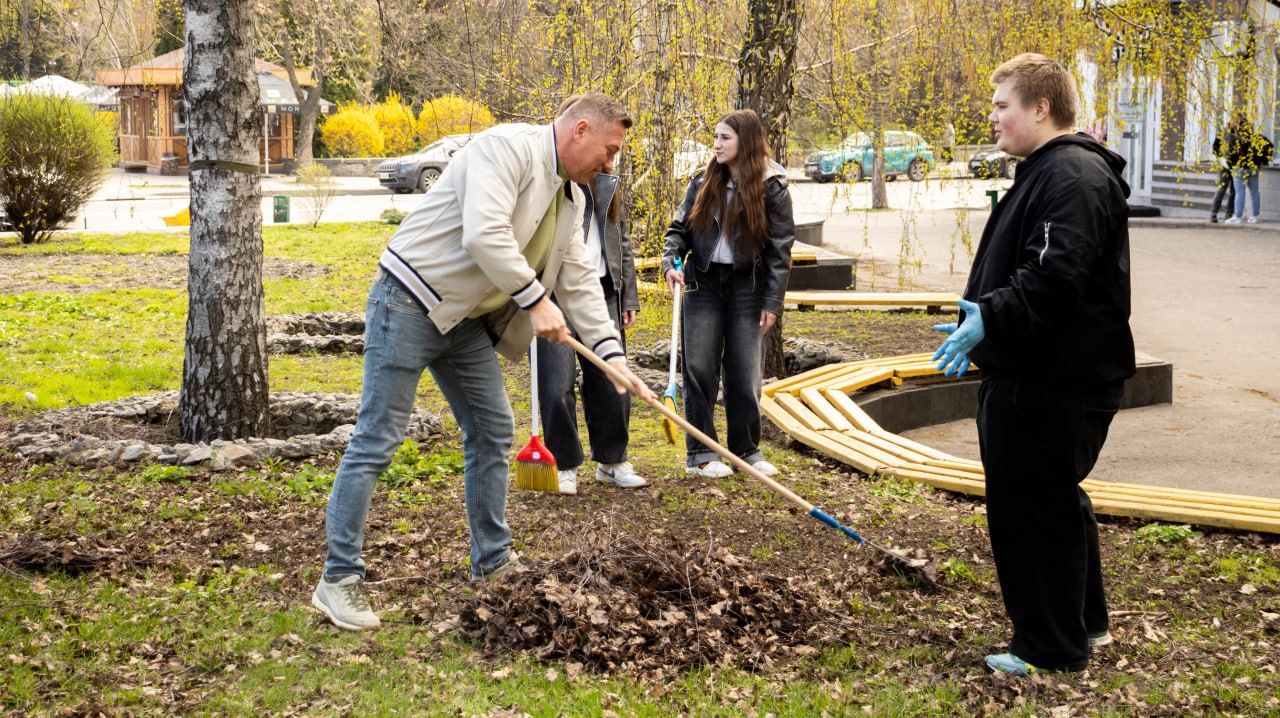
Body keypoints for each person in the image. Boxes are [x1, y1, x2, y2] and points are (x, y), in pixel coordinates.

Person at [312, 92, 657, 631]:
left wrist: (612, 356)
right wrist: (535, 301)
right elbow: (485, 233)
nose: (611, 164)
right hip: (409, 300)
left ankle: (492, 561)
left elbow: (580, 280)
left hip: (465, 318)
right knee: (378, 437)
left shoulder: (573, 197)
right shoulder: (507, 148)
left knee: (494, 429)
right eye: (610, 150)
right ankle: (338, 579)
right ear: (581, 130)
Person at [932, 53, 1135, 676]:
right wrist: (985, 320)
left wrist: (991, 317)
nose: (993, 118)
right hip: (1041, 370)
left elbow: (1055, 274)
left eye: (1002, 106)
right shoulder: (1052, 170)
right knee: (1053, 498)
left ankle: (1049, 647)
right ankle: (1084, 624)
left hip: (1052, 378)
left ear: (1041, 108)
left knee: (1031, 507)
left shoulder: (1072, 175)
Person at [662, 108, 795, 479]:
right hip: (702, 284)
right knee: (700, 370)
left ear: (745, 142)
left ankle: (746, 450)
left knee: (744, 373)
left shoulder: (772, 186)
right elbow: (678, 231)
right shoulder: (703, 180)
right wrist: (670, 261)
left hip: (748, 287)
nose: (716, 145)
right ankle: (702, 453)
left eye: (725, 138)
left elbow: (780, 249)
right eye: (716, 137)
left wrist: (772, 301)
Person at [536, 97, 645, 496]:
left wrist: (627, 293)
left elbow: (621, 238)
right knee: (556, 384)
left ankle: (613, 460)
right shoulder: (555, 181)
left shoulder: (606, 181)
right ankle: (564, 462)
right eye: (607, 149)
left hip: (602, 290)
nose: (609, 160)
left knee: (611, 381)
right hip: (555, 294)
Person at [1223, 113, 1273, 225]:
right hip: (1253, 168)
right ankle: (1254, 216)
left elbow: (1229, 153)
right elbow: (1269, 145)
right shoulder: (1255, 137)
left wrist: (1230, 164)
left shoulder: (1234, 137)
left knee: (1239, 193)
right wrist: (1263, 161)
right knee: (1254, 192)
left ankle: (1238, 217)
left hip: (1239, 168)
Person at [1210, 126, 1236, 224]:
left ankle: (1225, 214)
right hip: (1226, 166)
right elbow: (1215, 148)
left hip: (1234, 165)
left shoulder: (1239, 133)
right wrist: (1221, 159)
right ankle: (1216, 214)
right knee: (1223, 189)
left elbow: (1215, 148)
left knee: (1231, 190)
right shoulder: (1224, 133)